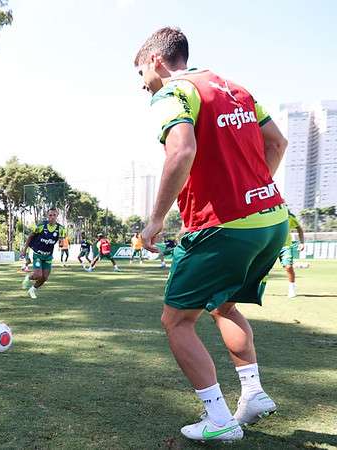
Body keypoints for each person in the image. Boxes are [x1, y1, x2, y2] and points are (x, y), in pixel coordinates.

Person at [134, 27, 289, 442]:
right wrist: (248, 195)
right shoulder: (235, 88)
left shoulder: (172, 91)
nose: (142, 84)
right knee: (222, 305)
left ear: (156, 61)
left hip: (223, 227)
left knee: (177, 321)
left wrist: (155, 221)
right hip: (272, 220)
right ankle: (253, 394)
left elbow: (181, 151)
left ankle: (218, 419)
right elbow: (277, 142)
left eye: (140, 73)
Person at [20, 207, 66, 299]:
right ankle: (28, 278)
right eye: (50, 215)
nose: (52, 217)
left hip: (48, 256)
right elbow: (30, 237)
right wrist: (24, 250)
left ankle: (32, 290)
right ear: (47, 216)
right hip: (37, 254)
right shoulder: (41, 226)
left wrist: (61, 242)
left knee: (44, 277)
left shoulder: (61, 229)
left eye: (54, 215)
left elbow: (61, 241)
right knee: (38, 275)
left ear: (57, 216)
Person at [280, 212, 305, 298]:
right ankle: (257, 290)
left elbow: (299, 228)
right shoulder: (268, 215)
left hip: (286, 246)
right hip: (271, 246)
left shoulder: (289, 216)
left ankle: (292, 288)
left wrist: (302, 242)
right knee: (262, 268)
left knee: (288, 267)